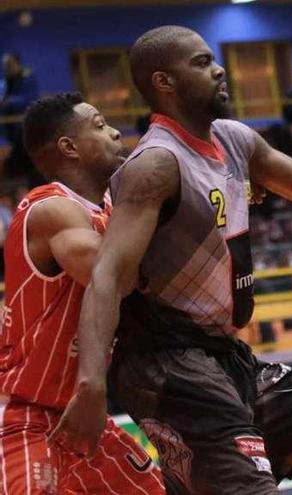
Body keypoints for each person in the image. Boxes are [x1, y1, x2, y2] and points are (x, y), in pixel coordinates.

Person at [49, 26, 292, 495]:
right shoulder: (156, 164)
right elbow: (107, 276)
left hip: (224, 355)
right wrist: (91, 384)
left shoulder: (234, 139)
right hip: (167, 362)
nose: (219, 68)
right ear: (165, 82)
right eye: (201, 63)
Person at [0, 92, 164, 494]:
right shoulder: (51, 209)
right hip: (21, 415)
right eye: (99, 124)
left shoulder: (109, 210)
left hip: (80, 417)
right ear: (69, 147)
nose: (114, 132)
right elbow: (115, 277)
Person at [1, 52, 40, 185]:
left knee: (29, 161)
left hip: (26, 126)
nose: (7, 67)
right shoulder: (7, 80)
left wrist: (9, 102)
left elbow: (31, 98)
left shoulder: (27, 77)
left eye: (9, 64)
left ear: (17, 63)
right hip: (11, 129)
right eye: (5, 65)